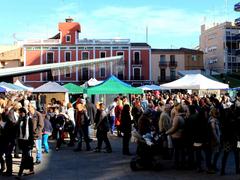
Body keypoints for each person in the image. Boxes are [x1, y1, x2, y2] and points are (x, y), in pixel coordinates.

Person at [16, 107, 34, 179]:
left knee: (24, 157)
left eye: (20, 112)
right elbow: (18, 130)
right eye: (19, 113)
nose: (20, 114)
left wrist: (31, 143)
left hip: (27, 141)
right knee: (27, 157)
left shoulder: (29, 120)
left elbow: (31, 132)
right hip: (22, 141)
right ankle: (31, 170)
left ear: (23, 112)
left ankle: (20, 174)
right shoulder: (20, 120)